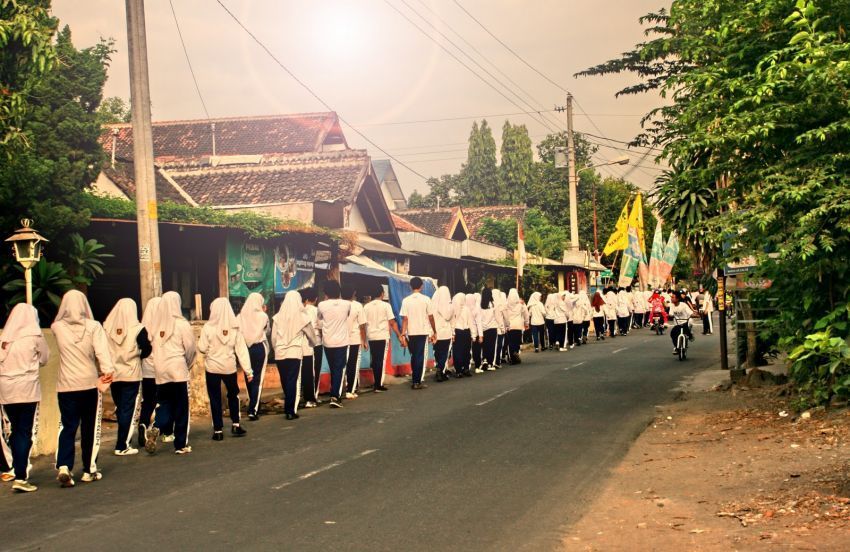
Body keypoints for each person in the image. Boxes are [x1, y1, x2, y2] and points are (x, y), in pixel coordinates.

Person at [52, 290, 114, 486]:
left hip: (65, 385)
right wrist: (107, 372)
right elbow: (102, 353)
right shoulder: (94, 326)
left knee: (68, 426)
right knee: (89, 427)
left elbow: (57, 320)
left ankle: (64, 465)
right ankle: (89, 469)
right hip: (88, 383)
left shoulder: (57, 327)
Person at [0, 304, 49, 492]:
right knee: (24, 432)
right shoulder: (35, 336)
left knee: (13, 430)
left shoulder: (4, 338)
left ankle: (16, 467)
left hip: (6, 391)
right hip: (27, 389)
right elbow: (45, 358)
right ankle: (20, 476)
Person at [144, 291, 196, 456]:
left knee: (164, 404)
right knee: (181, 407)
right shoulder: (182, 324)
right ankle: (180, 444)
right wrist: (187, 365)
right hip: (178, 370)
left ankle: (156, 427)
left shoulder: (155, 325)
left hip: (160, 371)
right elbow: (190, 349)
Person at [104, 298, 151, 457]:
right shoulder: (138, 329)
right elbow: (147, 349)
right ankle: (122, 444)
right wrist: (136, 356)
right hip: (132, 373)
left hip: (114, 374)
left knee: (120, 408)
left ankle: (122, 440)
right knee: (128, 410)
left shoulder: (106, 328)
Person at [199, 298, 252, 440]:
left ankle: (218, 430)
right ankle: (236, 424)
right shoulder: (234, 328)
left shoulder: (208, 328)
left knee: (215, 398)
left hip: (212, 368)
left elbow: (202, 348)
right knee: (233, 395)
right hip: (229, 367)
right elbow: (241, 350)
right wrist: (248, 370)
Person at [271, 291, 318, 420]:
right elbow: (312, 336)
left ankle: (289, 406)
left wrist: (277, 348)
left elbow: (274, 338)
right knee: (292, 380)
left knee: (285, 380)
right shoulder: (303, 317)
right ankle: (290, 410)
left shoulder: (277, 317)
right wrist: (312, 344)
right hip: (294, 352)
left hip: (280, 352)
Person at [137, 297, 167, 448]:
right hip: (162, 369)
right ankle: (157, 428)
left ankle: (143, 423)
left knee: (148, 401)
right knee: (163, 401)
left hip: (147, 370)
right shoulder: (165, 326)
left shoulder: (142, 328)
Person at [317, 280, 351, 408]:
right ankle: (335, 395)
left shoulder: (321, 305)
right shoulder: (347, 304)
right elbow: (346, 316)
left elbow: (319, 319)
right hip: (342, 341)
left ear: (325, 292)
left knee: (333, 368)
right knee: (339, 369)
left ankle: (335, 393)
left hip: (327, 341)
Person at [237, 293, 269, 421]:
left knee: (248, 377)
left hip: (245, 348)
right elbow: (267, 331)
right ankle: (253, 409)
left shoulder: (239, 316)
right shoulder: (263, 316)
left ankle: (253, 403)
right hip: (259, 348)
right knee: (258, 379)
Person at [363, 285, 401, 392]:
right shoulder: (386, 306)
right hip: (382, 336)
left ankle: (376, 382)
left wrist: (364, 339)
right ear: (382, 294)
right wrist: (399, 334)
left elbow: (364, 324)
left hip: (371, 336)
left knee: (375, 359)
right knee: (381, 360)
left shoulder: (366, 307)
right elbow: (392, 322)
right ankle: (378, 384)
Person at [400, 277, 435, 390]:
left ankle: (415, 379)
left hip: (411, 332)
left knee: (414, 356)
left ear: (410, 286)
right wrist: (434, 331)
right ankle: (417, 381)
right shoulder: (426, 299)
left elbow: (405, 319)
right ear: (421, 286)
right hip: (422, 331)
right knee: (420, 356)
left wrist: (403, 334)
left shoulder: (406, 300)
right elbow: (431, 317)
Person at [342, 285, 367, 399]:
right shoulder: (357, 306)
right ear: (353, 293)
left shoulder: (339, 305)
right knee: (353, 364)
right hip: (354, 339)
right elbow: (362, 325)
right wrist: (364, 340)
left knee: (343, 365)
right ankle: (351, 389)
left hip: (340, 340)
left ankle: (343, 388)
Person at [299, 288, 321, 407]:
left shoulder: (299, 311)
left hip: (301, 344)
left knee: (304, 371)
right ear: (315, 299)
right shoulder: (316, 310)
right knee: (314, 371)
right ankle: (313, 396)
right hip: (315, 342)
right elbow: (320, 325)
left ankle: (303, 394)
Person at [431, 286, 454, 382]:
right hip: (445, 333)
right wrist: (452, 307)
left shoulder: (432, 304)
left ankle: (439, 369)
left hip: (435, 332)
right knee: (444, 353)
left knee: (437, 352)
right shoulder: (447, 306)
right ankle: (441, 371)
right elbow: (448, 316)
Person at [503, 288, 529, 364]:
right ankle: (516, 352)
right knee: (517, 341)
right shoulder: (521, 304)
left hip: (510, 325)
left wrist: (506, 324)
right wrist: (526, 323)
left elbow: (504, 314)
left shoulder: (506, 304)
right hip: (518, 325)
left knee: (510, 342)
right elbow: (526, 314)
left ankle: (511, 356)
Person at [451, 292, 473, 378]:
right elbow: (470, 322)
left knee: (457, 351)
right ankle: (466, 368)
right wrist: (473, 334)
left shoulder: (453, 308)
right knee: (466, 351)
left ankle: (458, 370)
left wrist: (452, 333)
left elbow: (452, 322)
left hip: (457, 332)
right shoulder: (467, 309)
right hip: (466, 332)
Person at [477, 288, 498, 372]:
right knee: (492, 346)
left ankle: (484, 360)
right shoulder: (493, 304)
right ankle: (490, 363)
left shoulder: (480, 304)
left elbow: (479, 318)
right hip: (492, 328)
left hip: (484, 328)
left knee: (485, 346)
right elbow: (496, 316)